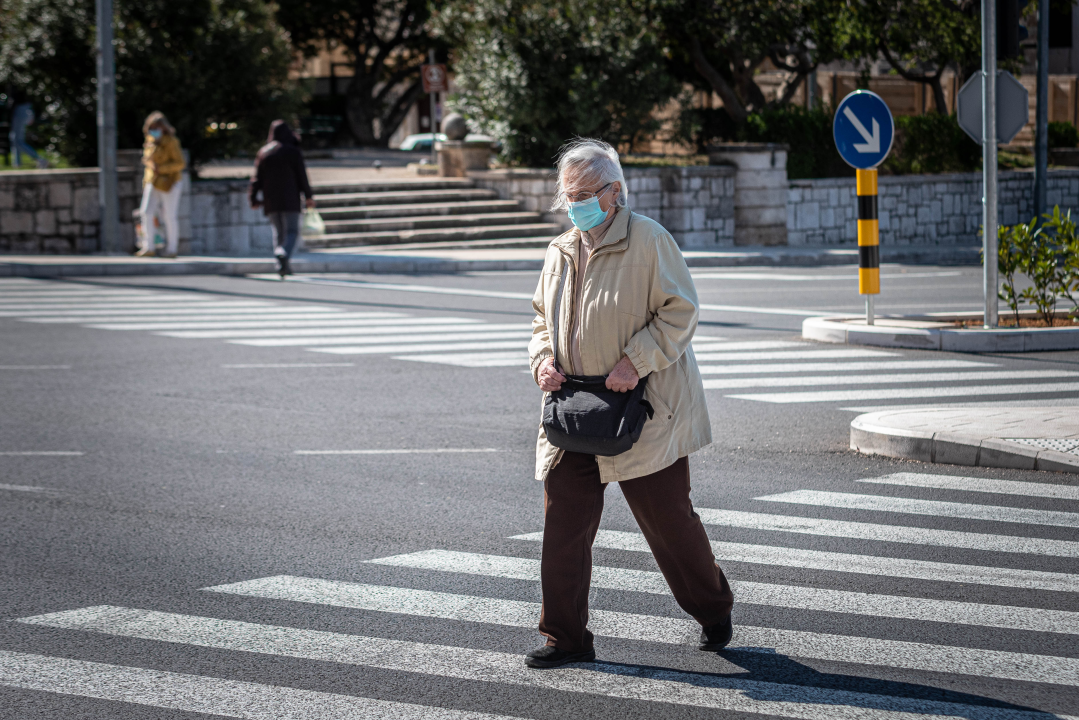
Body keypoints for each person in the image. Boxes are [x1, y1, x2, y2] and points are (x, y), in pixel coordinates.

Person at [525, 139, 733, 669]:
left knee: (669, 524)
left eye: (584, 194)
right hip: (574, 410)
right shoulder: (560, 250)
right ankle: (564, 637)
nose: (574, 205)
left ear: (615, 193)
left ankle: (713, 608)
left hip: (643, 409)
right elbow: (539, 320)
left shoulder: (649, 241)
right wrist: (542, 360)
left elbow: (680, 312)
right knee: (563, 527)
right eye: (567, 195)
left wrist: (635, 362)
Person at [249, 120, 314, 277]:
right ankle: (282, 253)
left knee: (278, 232)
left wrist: (253, 198)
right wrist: (309, 196)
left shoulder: (264, 152)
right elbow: (302, 175)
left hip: (270, 200)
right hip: (290, 199)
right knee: (291, 231)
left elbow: (256, 179)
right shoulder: (293, 151)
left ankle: (282, 266)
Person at [136, 111, 185, 258]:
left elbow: (180, 163)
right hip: (153, 181)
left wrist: (161, 169)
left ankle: (171, 249)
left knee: (169, 215)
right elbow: (148, 163)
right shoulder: (150, 141)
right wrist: (146, 181)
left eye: (157, 127)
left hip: (169, 182)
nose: (154, 130)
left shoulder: (171, 142)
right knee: (146, 212)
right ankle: (148, 246)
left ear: (163, 127)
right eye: (152, 127)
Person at [9, 102, 48, 169]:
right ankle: (17, 164)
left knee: (18, 141)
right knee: (14, 139)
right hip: (19, 109)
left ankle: (40, 159)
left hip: (21, 108)